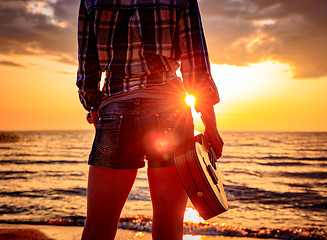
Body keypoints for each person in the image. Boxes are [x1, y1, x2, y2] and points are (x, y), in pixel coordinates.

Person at [76, 0, 223, 239]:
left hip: (115, 110)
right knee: (169, 222)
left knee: (98, 224)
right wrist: (211, 127)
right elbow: (196, 68)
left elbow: (87, 66)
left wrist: (94, 106)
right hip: (170, 112)